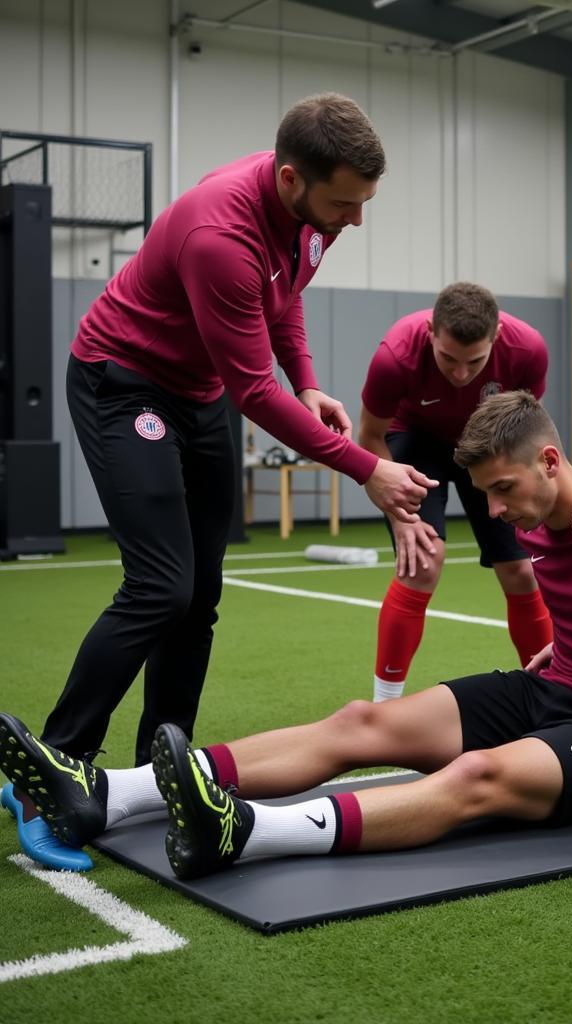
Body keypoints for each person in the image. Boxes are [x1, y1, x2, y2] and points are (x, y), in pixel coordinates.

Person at [0, 390, 572, 877]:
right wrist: (564, 649)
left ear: (550, 460)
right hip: (554, 690)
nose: (499, 510)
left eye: (505, 489)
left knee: (474, 778)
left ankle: (246, 832)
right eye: (487, 496)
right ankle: (107, 791)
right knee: (361, 722)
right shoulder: (539, 523)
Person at [5, 92, 437, 873]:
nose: (356, 220)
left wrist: (307, 379)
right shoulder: (220, 235)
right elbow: (253, 394)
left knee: (200, 595)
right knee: (161, 587)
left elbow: (288, 300)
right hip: (123, 382)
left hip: (198, 394)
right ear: (288, 180)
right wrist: (367, 468)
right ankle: (49, 772)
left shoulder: (314, 217)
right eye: (345, 203)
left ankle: (149, 775)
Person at [359, 284, 552, 703]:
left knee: (521, 571)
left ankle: (550, 692)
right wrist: (400, 516)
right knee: (422, 560)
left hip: (487, 444)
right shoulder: (395, 357)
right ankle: (384, 706)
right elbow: (370, 438)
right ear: (430, 331)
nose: (461, 373)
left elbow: (525, 434)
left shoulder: (528, 350)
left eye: (475, 362)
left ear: (497, 337)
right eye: (448, 358)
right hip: (414, 441)